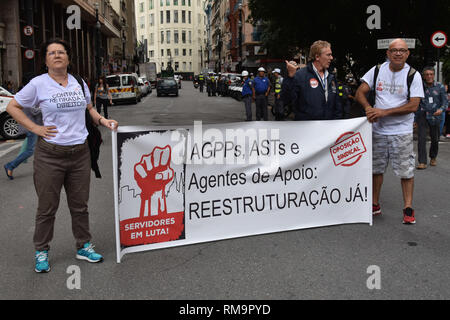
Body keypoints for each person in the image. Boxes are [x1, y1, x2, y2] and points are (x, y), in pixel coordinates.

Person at [5, 38, 118, 273]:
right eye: (51, 53)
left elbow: (89, 109)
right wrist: (35, 129)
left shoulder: (79, 82)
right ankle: (41, 251)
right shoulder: (38, 84)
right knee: (47, 207)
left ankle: (83, 246)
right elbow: (12, 106)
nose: (57, 55)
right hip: (50, 155)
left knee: (80, 206)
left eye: (61, 52)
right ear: (45, 60)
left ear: (68, 57)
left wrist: (103, 120)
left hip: (79, 153)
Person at [355, 38, 424, 225]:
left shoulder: (413, 75)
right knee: (376, 169)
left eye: (402, 50)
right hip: (378, 130)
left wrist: (384, 112)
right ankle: (374, 204)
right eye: (394, 50)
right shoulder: (377, 70)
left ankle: (408, 208)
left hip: (402, 131)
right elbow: (360, 92)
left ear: (408, 53)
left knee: (406, 171)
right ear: (388, 53)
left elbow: (413, 105)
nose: (398, 53)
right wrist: (369, 108)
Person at [282, 40, 342, 120]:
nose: (331, 58)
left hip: (328, 130)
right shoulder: (300, 76)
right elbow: (285, 100)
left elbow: (337, 106)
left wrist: (337, 125)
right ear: (317, 57)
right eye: (328, 55)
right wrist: (290, 77)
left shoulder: (331, 77)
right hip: (307, 130)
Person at [414, 67, 447, 169]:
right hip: (422, 115)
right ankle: (422, 162)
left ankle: (433, 157)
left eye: (431, 74)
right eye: (427, 74)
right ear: (423, 76)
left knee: (435, 138)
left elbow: (445, 101)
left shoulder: (439, 86)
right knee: (421, 139)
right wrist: (414, 119)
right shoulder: (419, 87)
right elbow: (415, 103)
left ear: (434, 75)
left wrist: (441, 110)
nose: (429, 76)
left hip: (435, 115)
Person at [3, 107, 42, 180]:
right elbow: (34, 111)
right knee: (30, 150)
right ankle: (10, 166)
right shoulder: (27, 97)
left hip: (36, 126)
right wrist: (45, 106)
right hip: (32, 127)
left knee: (41, 148)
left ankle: (44, 169)